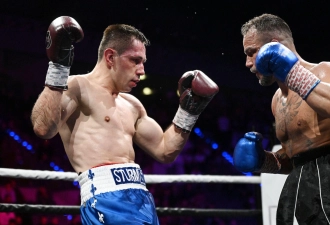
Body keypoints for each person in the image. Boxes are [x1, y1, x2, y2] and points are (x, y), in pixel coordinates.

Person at [31, 16, 219, 225]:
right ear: (110, 57)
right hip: (106, 202)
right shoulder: (77, 87)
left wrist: (188, 113)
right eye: (135, 60)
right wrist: (58, 67)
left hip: (142, 200)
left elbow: (165, 151)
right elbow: (43, 128)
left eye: (143, 62)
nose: (142, 70)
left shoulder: (133, 105)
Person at [233, 13, 330, 225]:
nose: (248, 63)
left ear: (274, 47)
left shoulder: (325, 71)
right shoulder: (277, 100)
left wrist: (292, 73)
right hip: (300, 185)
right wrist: (264, 161)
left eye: (251, 53)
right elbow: (294, 158)